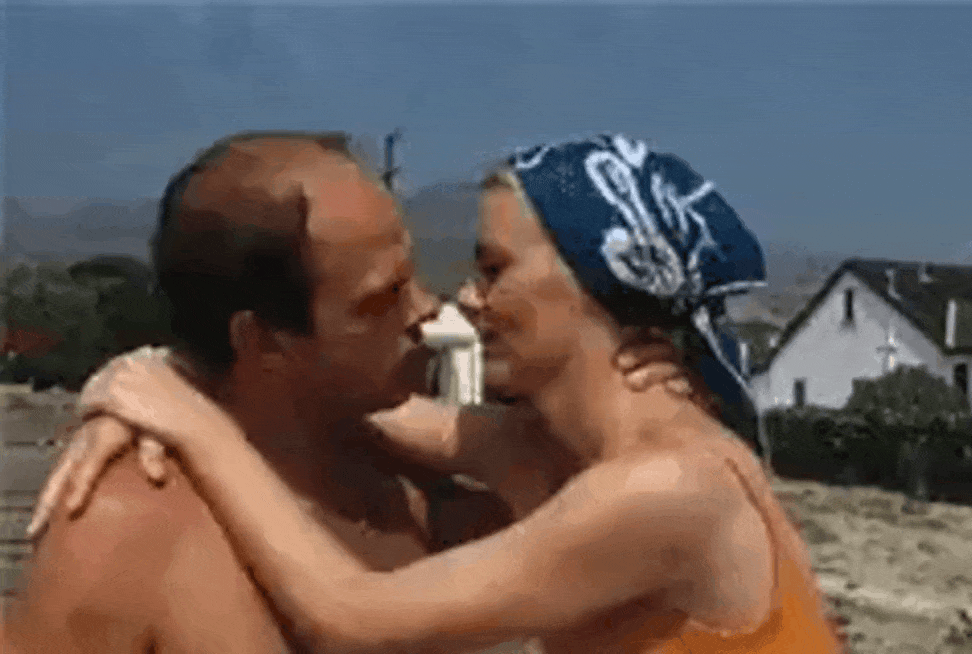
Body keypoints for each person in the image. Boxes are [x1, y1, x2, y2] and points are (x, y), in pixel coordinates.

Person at [29, 134, 848, 653]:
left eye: (493, 269)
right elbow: (369, 414)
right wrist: (155, 379)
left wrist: (190, 420)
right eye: (383, 297)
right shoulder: (545, 455)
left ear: (599, 288)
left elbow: (354, 616)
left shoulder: (659, 485)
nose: (452, 303)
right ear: (264, 338)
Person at [3, 131, 517, 654]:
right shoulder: (130, 528)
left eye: (413, 277)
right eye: (381, 300)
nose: (428, 310)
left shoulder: (422, 494)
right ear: (264, 340)